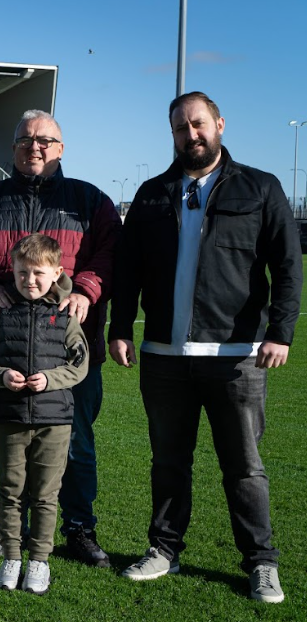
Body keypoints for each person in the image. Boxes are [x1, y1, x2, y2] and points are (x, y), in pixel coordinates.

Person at [109, 92, 302, 604]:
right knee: (168, 462)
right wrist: (121, 326)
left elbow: (287, 266)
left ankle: (261, 563)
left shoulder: (260, 187)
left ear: (218, 123)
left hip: (236, 356)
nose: (190, 135)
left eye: (197, 124)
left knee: (244, 467)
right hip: (164, 356)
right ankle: (164, 550)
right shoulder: (151, 195)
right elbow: (126, 272)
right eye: (179, 128)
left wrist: (280, 332)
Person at [0, 110, 121, 566]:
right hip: (7, 347)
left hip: (69, 352)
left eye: (45, 140)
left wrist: (88, 289)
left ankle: (78, 527)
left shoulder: (90, 200)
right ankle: (5, 524)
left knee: (76, 442)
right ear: (13, 146)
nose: (35, 146)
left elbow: (111, 254)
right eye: (25, 139)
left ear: (61, 148)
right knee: (6, 439)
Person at [0, 234, 88, 595]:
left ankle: (38, 560)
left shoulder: (65, 315)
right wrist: (1, 376)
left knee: (45, 495)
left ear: (56, 273)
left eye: (38, 273)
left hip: (54, 420)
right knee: (9, 493)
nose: (30, 281)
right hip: (8, 416)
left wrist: (51, 379)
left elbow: (80, 364)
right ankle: (11, 557)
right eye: (23, 273)